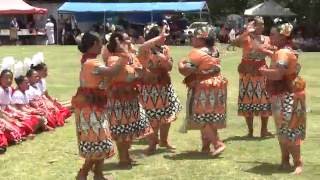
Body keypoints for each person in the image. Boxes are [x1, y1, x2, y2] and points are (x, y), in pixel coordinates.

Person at [72, 31, 125, 180]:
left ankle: (98, 174)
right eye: (100, 43)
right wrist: (124, 56)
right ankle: (82, 174)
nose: (102, 46)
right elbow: (112, 72)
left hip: (94, 106)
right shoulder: (91, 63)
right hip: (90, 108)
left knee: (100, 141)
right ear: (95, 44)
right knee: (99, 141)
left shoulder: (88, 60)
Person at [259, 22, 306, 175]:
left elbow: (279, 73)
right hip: (283, 94)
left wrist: (264, 71)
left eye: (272, 34)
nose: (269, 37)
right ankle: (285, 161)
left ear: (281, 36)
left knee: (290, 129)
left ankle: (298, 163)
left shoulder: (283, 53)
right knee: (283, 129)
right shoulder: (282, 50)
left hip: (287, 95)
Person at [104, 30, 153, 167]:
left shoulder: (130, 57)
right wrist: (136, 73)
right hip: (118, 99)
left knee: (129, 127)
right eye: (126, 40)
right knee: (122, 128)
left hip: (131, 96)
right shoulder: (113, 59)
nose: (130, 41)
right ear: (118, 43)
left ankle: (126, 156)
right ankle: (123, 158)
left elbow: (141, 72)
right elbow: (128, 74)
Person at [178, 25, 227, 156]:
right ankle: (205, 146)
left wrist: (180, 64)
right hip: (216, 85)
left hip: (203, 86)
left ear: (201, 39)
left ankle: (217, 143)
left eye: (193, 37)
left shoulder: (197, 53)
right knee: (210, 116)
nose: (191, 40)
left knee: (200, 116)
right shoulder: (214, 50)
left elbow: (185, 70)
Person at [137, 22, 181, 154]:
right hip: (149, 86)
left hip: (163, 84)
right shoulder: (145, 49)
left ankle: (164, 140)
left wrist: (164, 60)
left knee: (166, 114)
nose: (164, 38)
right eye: (161, 36)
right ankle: (152, 144)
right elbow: (142, 50)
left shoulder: (165, 49)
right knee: (152, 116)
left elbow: (170, 67)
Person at [235, 16, 274, 138]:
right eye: (258, 24)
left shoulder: (267, 39)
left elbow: (272, 51)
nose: (261, 27)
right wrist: (247, 31)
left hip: (262, 71)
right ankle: (250, 131)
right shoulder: (246, 37)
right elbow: (235, 42)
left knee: (264, 99)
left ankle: (264, 130)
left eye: (262, 24)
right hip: (247, 71)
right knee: (247, 99)